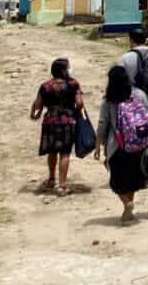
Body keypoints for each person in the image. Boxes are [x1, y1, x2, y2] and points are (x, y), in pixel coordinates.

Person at [95, 65, 148, 224]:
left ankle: (127, 203)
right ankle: (129, 208)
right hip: (138, 143)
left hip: (117, 145)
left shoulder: (109, 100)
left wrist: (98, 146)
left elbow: (102, 125)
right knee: (133, 177)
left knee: (116, 180)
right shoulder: (139, 94)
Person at [30, 57, 83, 197]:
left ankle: (52, 179)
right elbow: (79, 104)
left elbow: (37, 105)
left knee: (52, 151)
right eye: (68, 67)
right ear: (63, 70)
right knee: (65, 153)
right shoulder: (73, 84)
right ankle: (62, 185)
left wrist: (37, 111)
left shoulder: (45, 85)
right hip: (67, 120)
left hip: (50, 120)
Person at [118, 30, 148, 124]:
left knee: (134, 134)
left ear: (131, 41)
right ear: (145, 40)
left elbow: (119, 82)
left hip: (133, 103)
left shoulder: (126, 57)